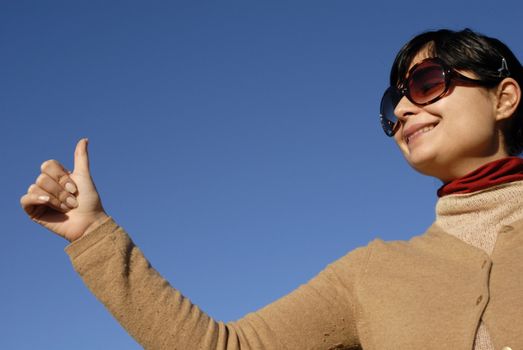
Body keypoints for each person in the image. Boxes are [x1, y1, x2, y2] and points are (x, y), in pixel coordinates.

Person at [21, 28, 523, 349]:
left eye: (427, 82)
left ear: (503, 98)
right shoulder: (374, 273)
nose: (403, 110)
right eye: (395, 100)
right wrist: (93, 233)